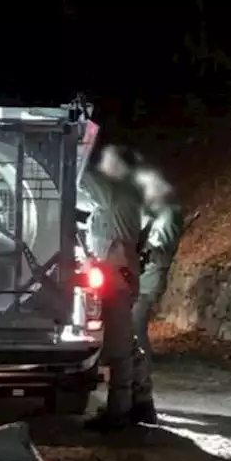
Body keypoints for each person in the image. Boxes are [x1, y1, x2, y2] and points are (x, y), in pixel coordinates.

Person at [78, 144, 146, 432]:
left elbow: (83, 179)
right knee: (125, 342)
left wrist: (75, 152)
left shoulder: (116, 193)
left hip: (117, 275)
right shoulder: (121, 194)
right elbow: (85, 199)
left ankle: (120, 412)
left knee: (119, 345)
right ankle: (141, 402)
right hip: (121, 272)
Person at [129, 166, 185, 425]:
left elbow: (157, 248)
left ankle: (141, 395)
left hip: (147, 279)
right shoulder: (153, 211)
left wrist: (134, 246)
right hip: (140, 278)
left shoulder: (167, 213)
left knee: (135, 332)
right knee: (131, 333)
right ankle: (136, 394)